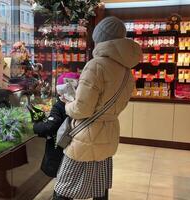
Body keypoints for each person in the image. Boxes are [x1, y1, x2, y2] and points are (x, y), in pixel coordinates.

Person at [53, 16, 142, 200]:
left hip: (86, 135)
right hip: (108, 134)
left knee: (63, 188)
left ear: (99, 38)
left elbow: (81, 110)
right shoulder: (127, 71)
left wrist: (66, 103)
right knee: (99, 187)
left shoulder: (95, 66)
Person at [32, 72, 80, 178]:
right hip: (75, 147)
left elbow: (51, 126)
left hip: (59, 148)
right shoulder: (79, 105)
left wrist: (34, 127)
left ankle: (59, 194)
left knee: (60, 178)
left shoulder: (60, 106)